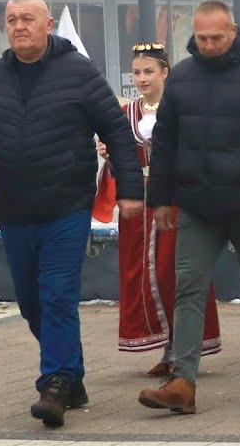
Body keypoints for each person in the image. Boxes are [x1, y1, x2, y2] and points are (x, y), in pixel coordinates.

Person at [0, 0, 144, 428]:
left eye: (27, 18)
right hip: (14, 208)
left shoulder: (79, 71)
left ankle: (55, 383)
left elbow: (117, 132)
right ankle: (71, 375)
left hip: (66, 205)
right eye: (11, 20)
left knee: (57, 294)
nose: (18, 26)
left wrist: (129, 191)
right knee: (31, 302)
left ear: (48, 25)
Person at [137, 0, 240, 414]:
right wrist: (159, 197)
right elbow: (166, 140)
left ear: (233, 31)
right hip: (196, 202)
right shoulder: (183, 76)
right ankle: (183, 381)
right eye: (201, 37)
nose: (208, 45)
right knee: (188, 287)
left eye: (216, 37)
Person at [100, 44, 221, 376]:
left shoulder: (182, 110)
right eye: (136, 73)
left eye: (148, 71)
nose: (141, 79)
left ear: (165, 72)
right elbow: (122, 162)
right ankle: (164, 345)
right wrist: (110, 156)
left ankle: (183, 348)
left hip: (174, 200)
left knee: (176, 274)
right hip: (139, 206)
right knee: (141, 276)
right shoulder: (125, 115)